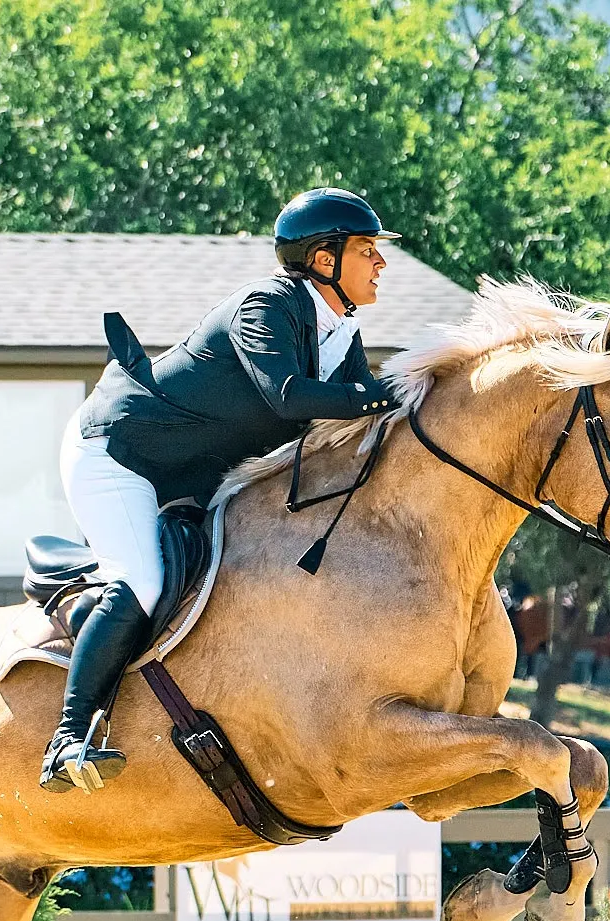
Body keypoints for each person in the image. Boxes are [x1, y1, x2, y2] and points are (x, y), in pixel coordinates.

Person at [42, 187, 404, 793]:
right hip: (122, 454)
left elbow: (351, 420)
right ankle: (68, 739)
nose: (381, 262)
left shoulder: (341, 330)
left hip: (197, 473)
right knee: (143, 580)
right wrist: (388, 392)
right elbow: (287, 396)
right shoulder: (265, 305)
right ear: (324, 259)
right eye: (367, 249)